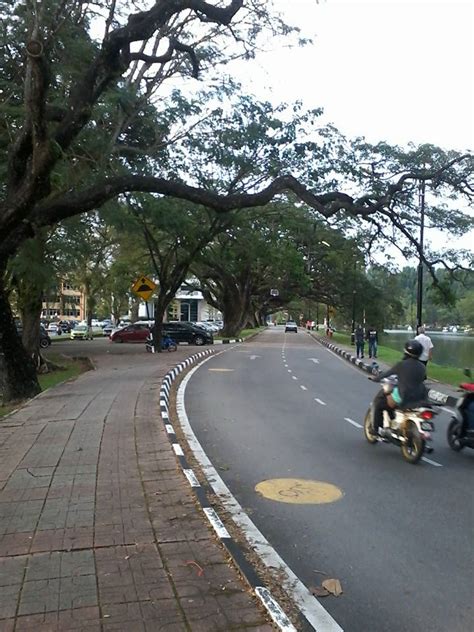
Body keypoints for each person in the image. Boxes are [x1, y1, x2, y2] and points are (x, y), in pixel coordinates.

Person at [369, 339, 428, 437]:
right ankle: (394, 421)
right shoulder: (422, 367)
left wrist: (375, 378)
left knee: (379, 403)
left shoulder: (401, 364)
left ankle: (376, 429)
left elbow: (387, 374)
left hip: (404, 395)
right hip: (420, 396)